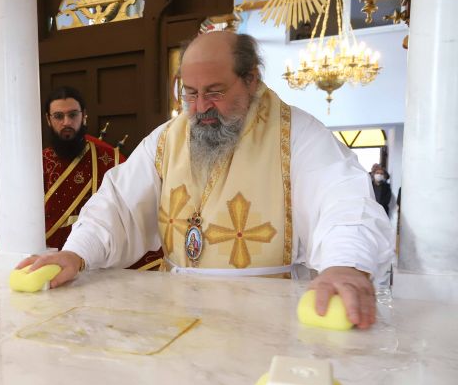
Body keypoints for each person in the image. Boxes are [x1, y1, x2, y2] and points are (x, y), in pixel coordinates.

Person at [21, 32, 394, 329]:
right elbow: (118, 202)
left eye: (214, 92)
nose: (200, 108)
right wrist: (77, 251)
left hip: (267, 322)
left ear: (251, 79)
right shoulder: (168, 138)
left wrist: (345, 263)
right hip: (177, 316)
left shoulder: (297, 134)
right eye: (191, 93)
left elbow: (343, 198)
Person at [42, 86, 161, 269]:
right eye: (58, 116)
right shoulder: (38, 165)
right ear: (48, 120)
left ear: (84, 116)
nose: (66, 122)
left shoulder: (109, 159)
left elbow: (131, 207)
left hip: (104, 257)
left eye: (73, 115)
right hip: (49, 255)